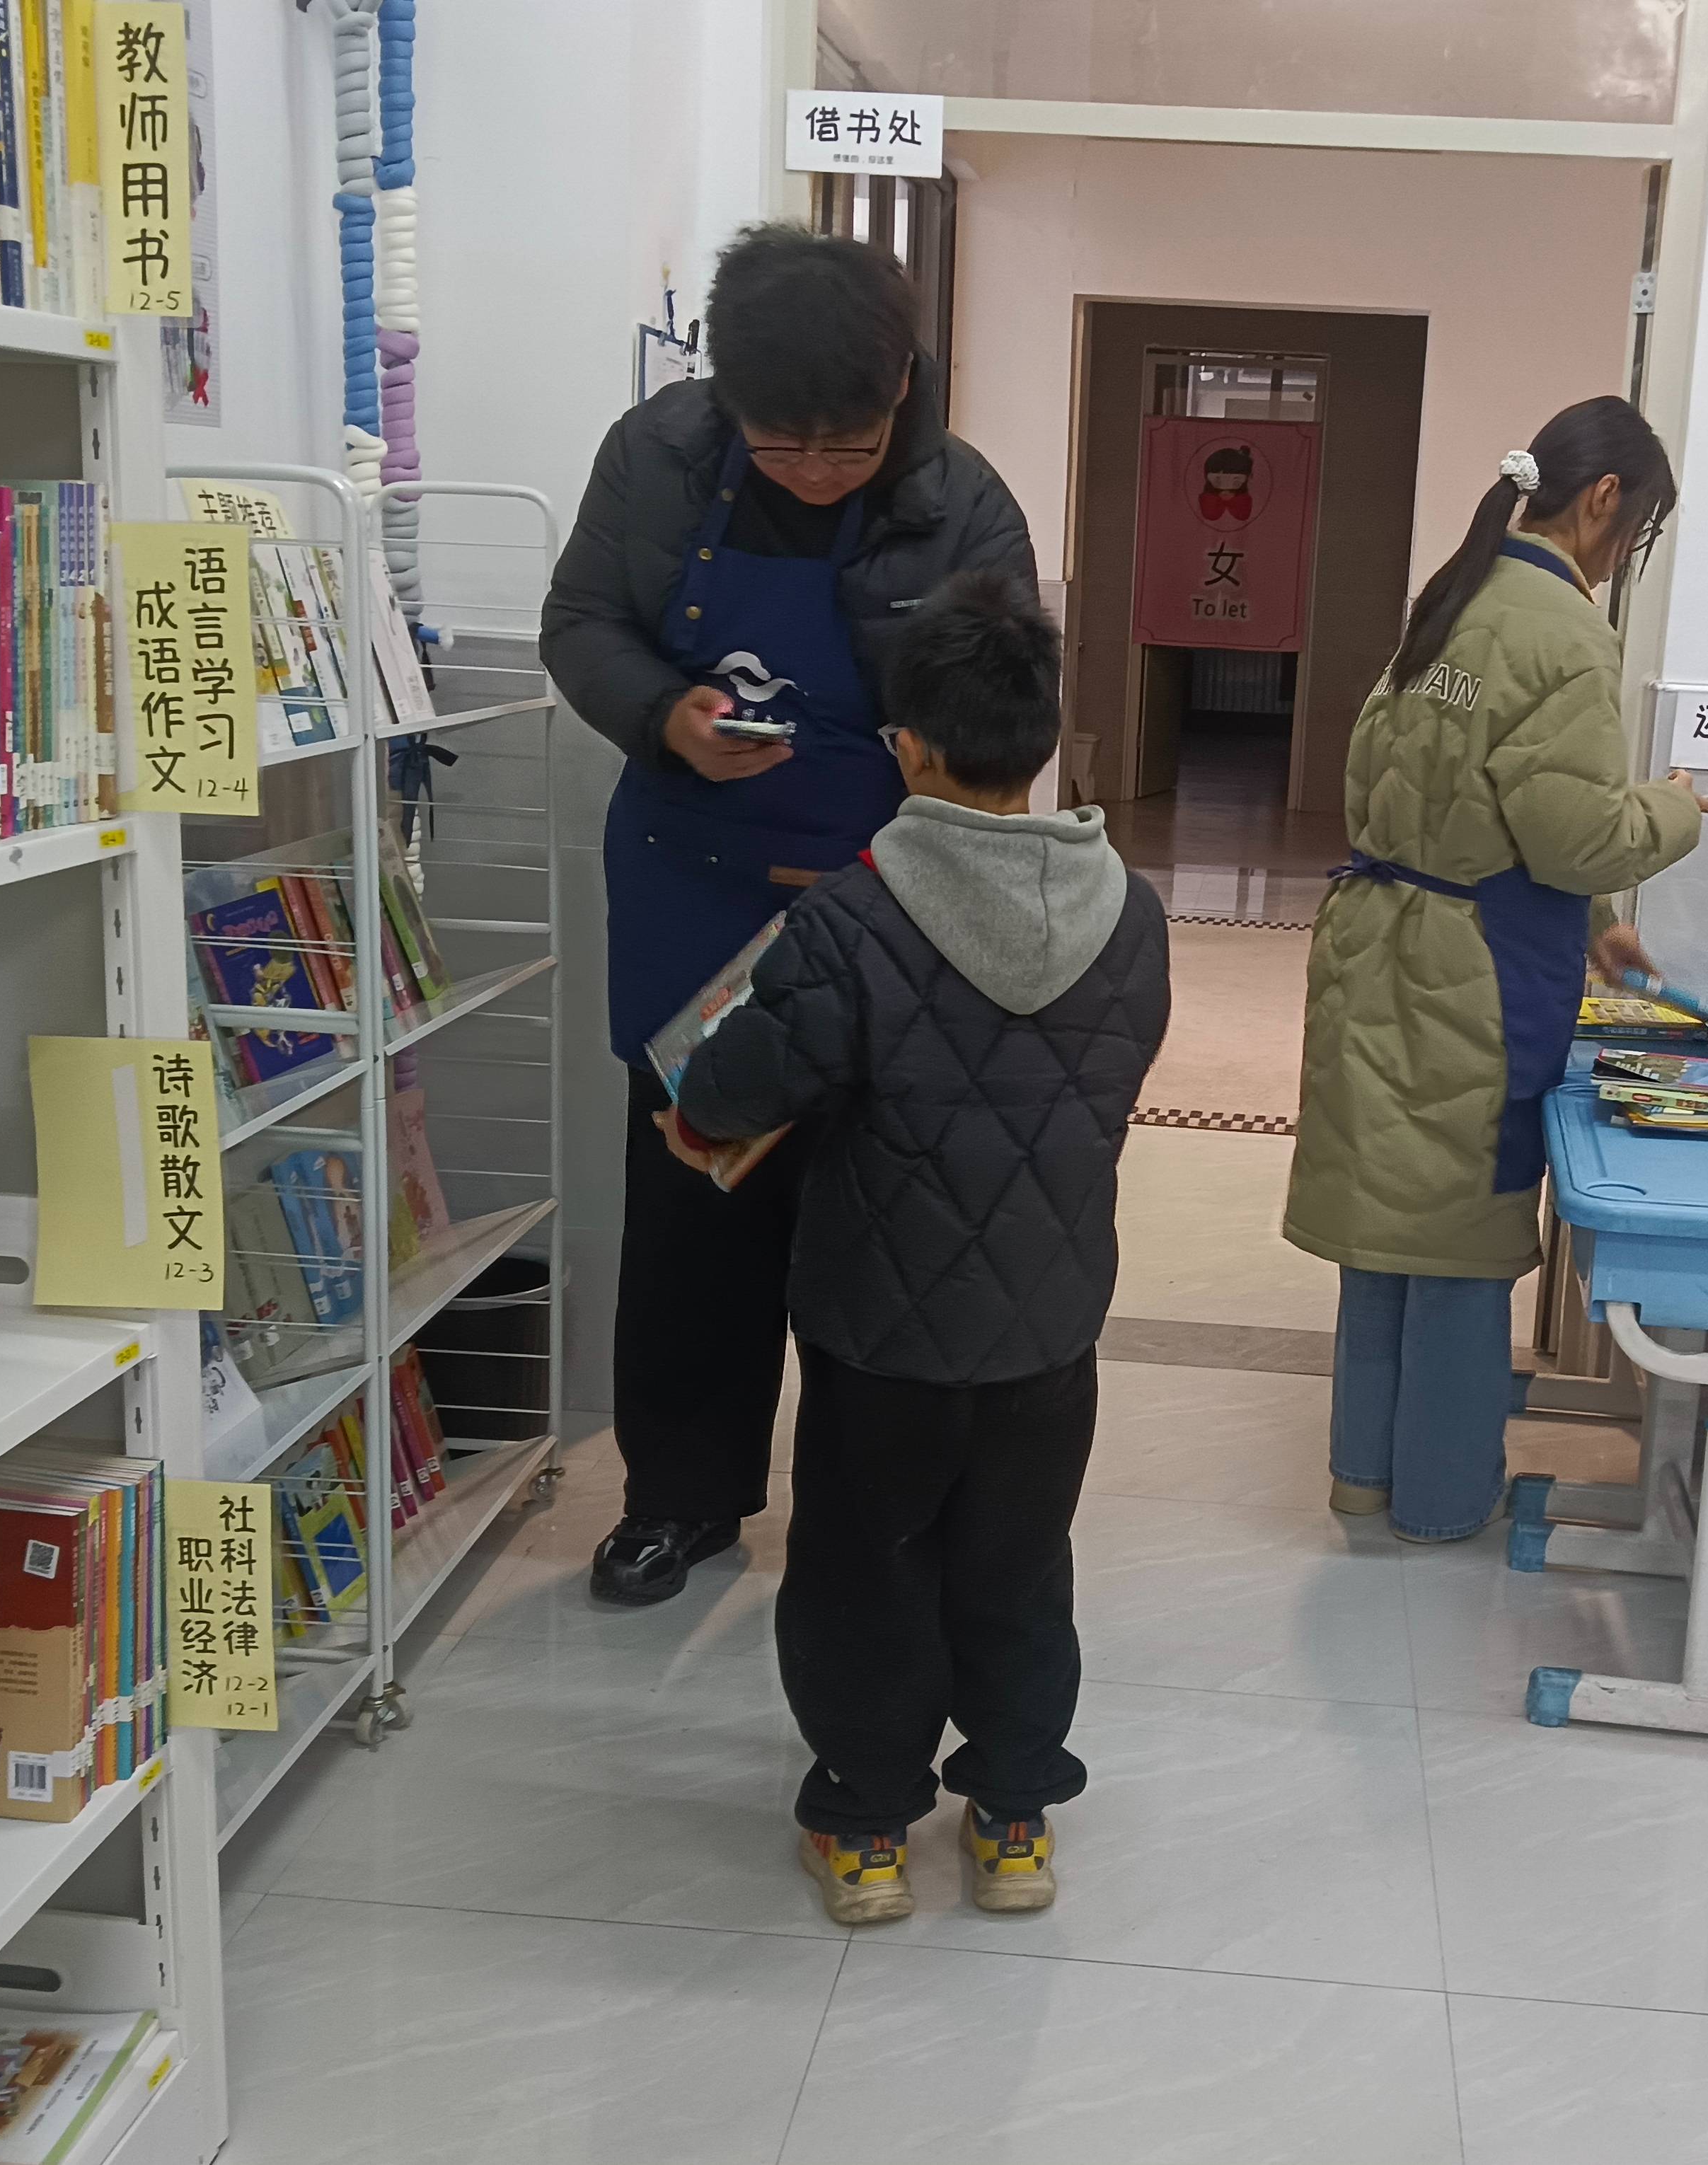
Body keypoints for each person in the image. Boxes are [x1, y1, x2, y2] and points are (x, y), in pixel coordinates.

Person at [541, 224, 1037, 1610]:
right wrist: (666, 716)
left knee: (881, 1222)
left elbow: (1009, 706)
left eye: (848, 445)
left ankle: (877, 1512)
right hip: (693, 889)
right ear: (727, 395)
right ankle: (678, 1498)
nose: (817, 469)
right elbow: (582, 621)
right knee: (693, 1208)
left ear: (903, 387)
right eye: (783, 445)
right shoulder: (654, 459)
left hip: (886, 907)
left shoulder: (965, 502)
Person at [661, 572, 1170, 1924]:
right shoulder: (1135, 916)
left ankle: (869, 1824)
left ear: (912, 749)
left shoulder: (851, 920)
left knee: (866, 1567)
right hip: (1049, 1324)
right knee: (1021, 1564)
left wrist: (699, 1114)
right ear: (1041, 742)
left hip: (880, 1330)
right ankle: (1013, 1820)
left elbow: (733, 1093)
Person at [1283, 397, 1708, 1542]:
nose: (1627, 558)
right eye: (1639, 532)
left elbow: (1451, 799)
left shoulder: (1454, 595)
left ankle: (1363, 1476)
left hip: (1380, 943)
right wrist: (1676, 812)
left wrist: (1594, 927)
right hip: (1467, 975)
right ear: (1605, 499)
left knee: (1386, 1235)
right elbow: (1574, 838)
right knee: (1460, 1251)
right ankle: (1441, 1501)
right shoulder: (1562, 632)